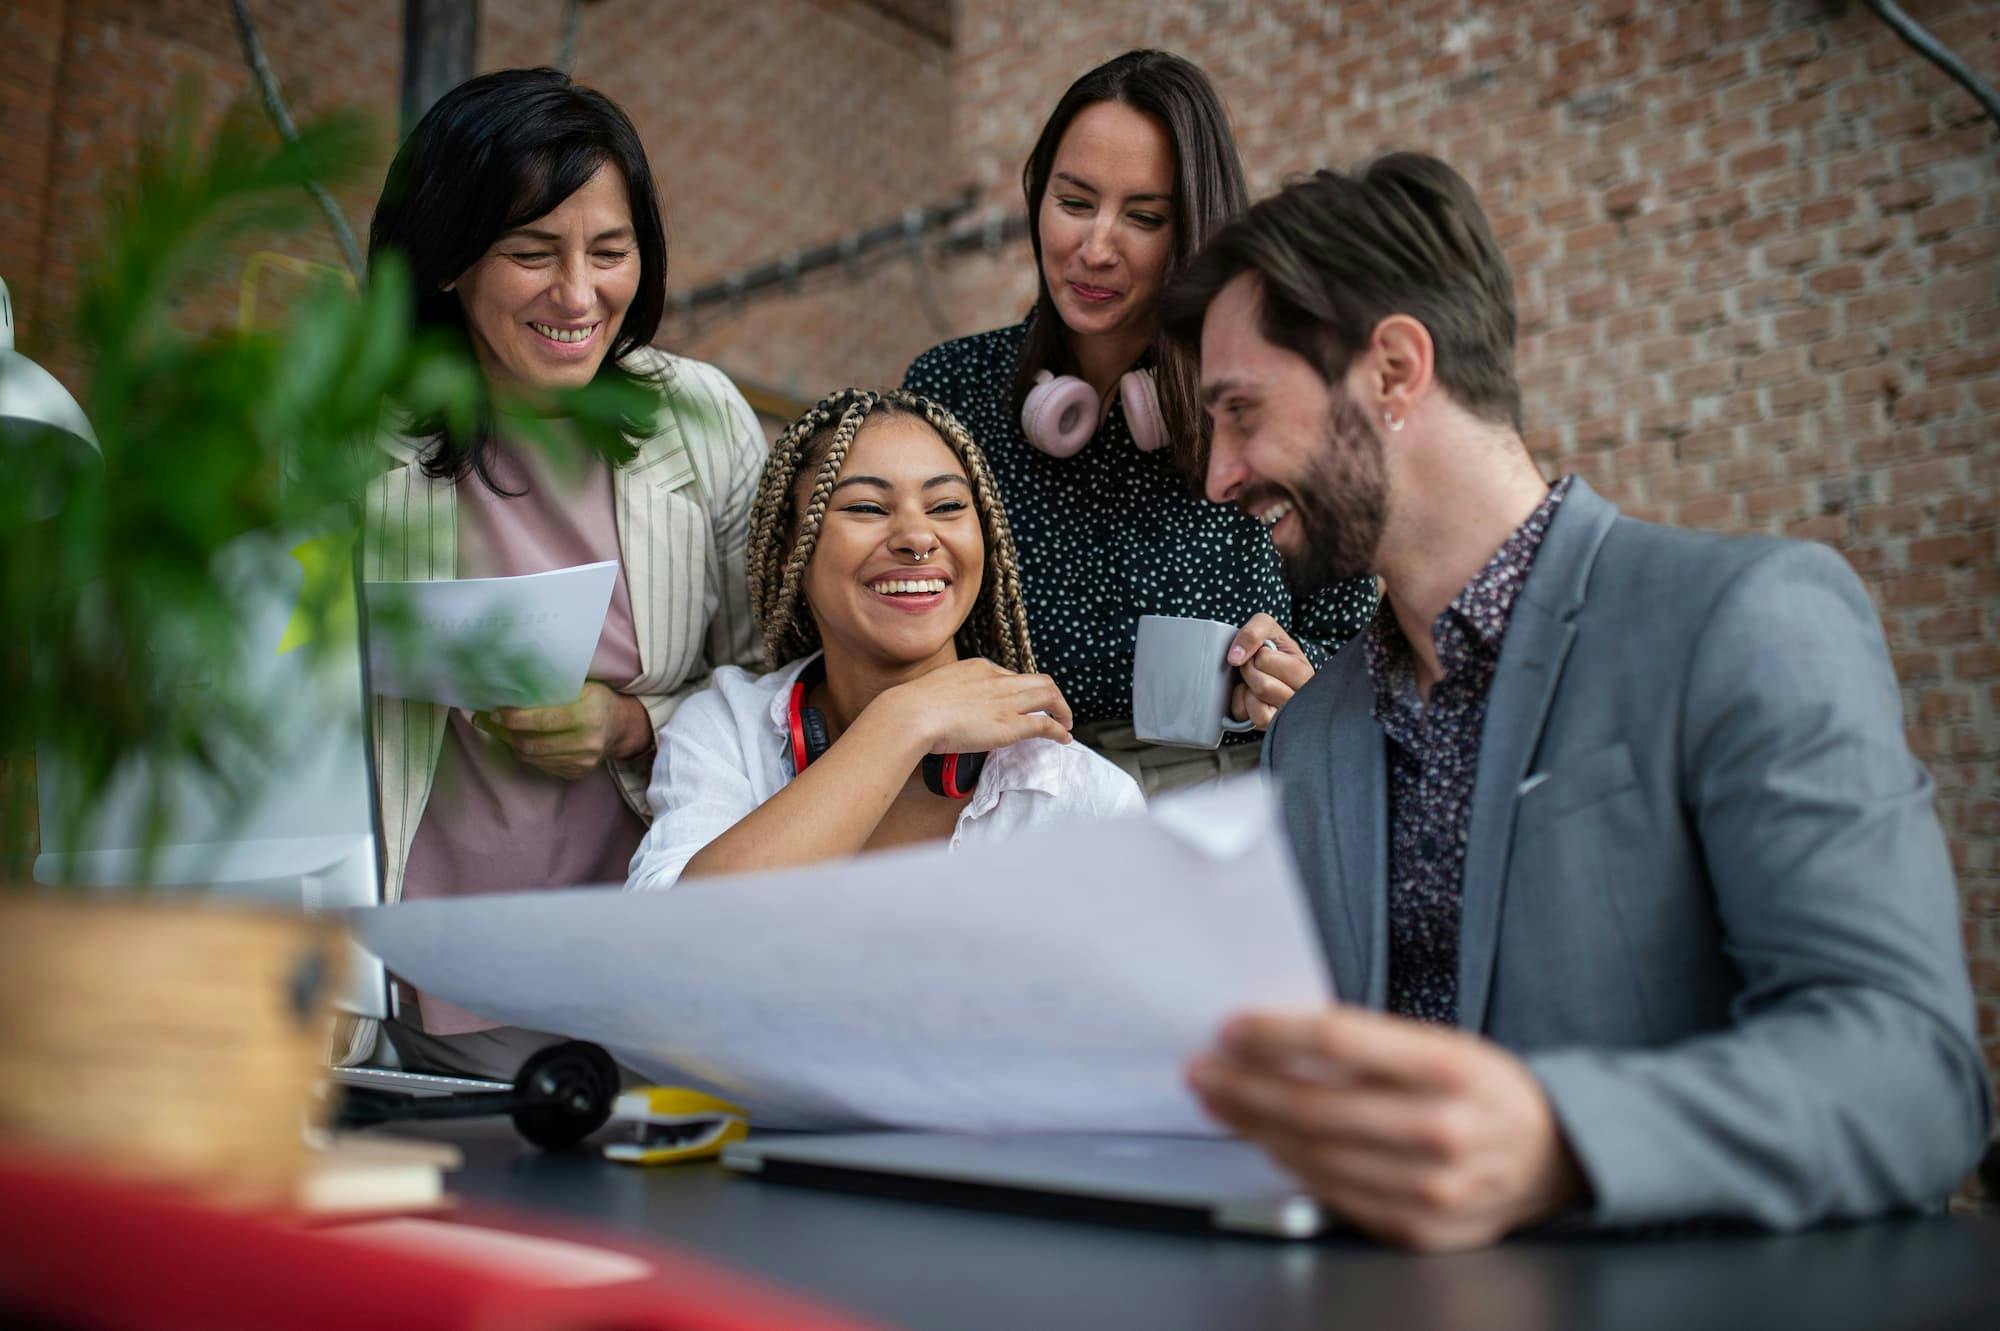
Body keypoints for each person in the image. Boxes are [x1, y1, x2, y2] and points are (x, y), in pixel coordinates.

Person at [1158, 154, 1990, 1249]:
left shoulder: (1745, 616)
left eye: (1241, 412)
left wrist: (1558, 1139)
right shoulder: (1308, 733)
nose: (1217, 473)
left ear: (1394, 371)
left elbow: (1914, 1077)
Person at [350, 68, 767, 1078]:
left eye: (608, 252)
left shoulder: (698, 420)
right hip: (420, 987)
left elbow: (785, 679)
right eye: (532, 253)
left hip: (646, 979)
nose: (578, 295)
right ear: (446, 259)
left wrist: (632, 724)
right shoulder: (354, 436)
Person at [902, 51, 1375, 797]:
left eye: (1144, 217)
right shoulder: (950, 392)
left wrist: (1301, 678)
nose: (1096, 248)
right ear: (1037, 199)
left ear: (1194, 232)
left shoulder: (1271, 401)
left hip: (1228, 811)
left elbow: (1366, 639)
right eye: (1075, 202)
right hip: (1013, 814)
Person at [627, 388, 1142, 890]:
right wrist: (902, 723)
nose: (918, 538)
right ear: (791, 553)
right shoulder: (727, 732)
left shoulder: (1082, 794)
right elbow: (671, 936)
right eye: (867, 508)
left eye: (946, 506)